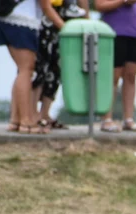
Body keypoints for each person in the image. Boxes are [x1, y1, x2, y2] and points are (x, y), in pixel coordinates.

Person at [31, 0, 87, 131]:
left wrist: (87, 21)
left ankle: (45, 113)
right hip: (47, 22)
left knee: (57, 68)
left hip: (67, 20)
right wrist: (64, 27)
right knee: (40, 67)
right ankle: (33, 114)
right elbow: (45, 6)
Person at [0, 0, 44, 134]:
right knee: (26, 69)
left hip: (5, 17)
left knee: (22, 69)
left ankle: (15, 119)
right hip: (21, 19)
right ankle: (26, 120)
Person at [98, 0, 136, 132]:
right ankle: (106, 119)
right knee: (113, 77)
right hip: (114, 32)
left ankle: (128, 119)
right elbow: (99, 5)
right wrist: (124, 1)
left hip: (135, 33)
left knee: (131, 76)